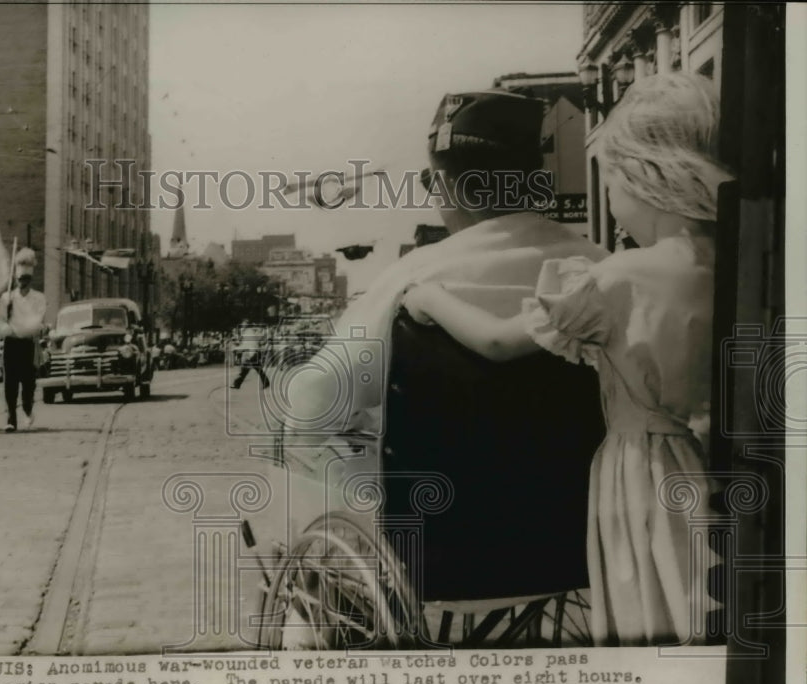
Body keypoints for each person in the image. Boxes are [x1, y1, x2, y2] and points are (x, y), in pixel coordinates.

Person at [401, 72, 730, 646]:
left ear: (643, 175)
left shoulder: (621, 277)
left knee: (648, 603)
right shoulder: (727, 265)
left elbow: (501, 343)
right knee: (700, 595)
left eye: (611, 182)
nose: (610, 198)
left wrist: (430, 298)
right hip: (710, 459)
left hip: (643, 469)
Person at [285, 89, 607, 441]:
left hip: (441, 493)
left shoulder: (411, 278)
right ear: (536, 176)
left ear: (443, 185)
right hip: (585, 491)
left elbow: (312, 410)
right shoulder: (601, 267)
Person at [0, 248, 46, 432]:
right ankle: (11, 418)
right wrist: (6, 314)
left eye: (25, 280)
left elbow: (35, 322)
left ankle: (27, 407)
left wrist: (19, 328)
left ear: (30, 280)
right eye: (19, 280)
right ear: (15, 280)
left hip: (27, 344)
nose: (22, 283)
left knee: (27, 384)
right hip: (11, 343)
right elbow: (0, 321)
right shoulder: (7, 297)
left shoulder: (38, 298)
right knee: (10, 383)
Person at [231, 322, 270, 390]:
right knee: (256, 369)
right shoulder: (251, 332)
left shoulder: (247, 333)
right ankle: (266, 382)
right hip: (255, 352)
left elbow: (246, 345)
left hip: (253, 353)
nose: (241, 329)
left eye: (242, 327)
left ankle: (237, 384)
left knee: (245, 369)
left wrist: (235, 348)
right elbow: (259, 339)